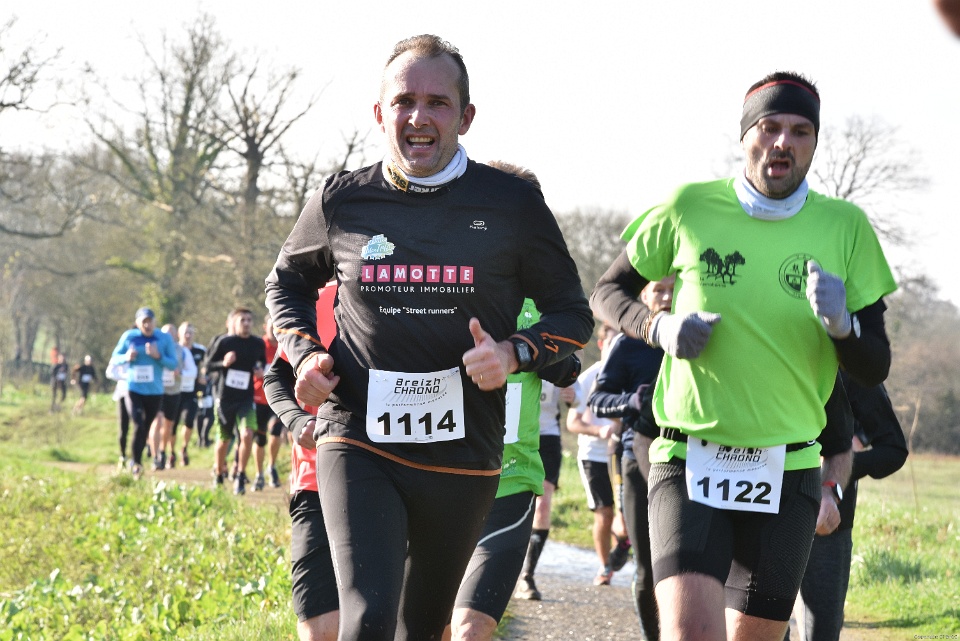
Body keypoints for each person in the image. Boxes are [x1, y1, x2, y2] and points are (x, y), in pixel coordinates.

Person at [264, 33, 592, 640]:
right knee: (368, 619)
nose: (419, 117)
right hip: (358, 437)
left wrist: (514, 353)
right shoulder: (342, 200)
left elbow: (573, 314)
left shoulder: (512, 205)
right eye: (404, 101)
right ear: (379, 113)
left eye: (438, 103)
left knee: (422, 627)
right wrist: (303, 352)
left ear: (466, 117)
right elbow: (286, 283)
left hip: (464, 451)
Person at [589, 71, 897, 641]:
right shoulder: (689, 206)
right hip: (688, 458)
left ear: (814, 143)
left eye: (800, 132)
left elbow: (874, 364)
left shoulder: (845, 226)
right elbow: (607, 292)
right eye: (769, 127)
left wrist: (843, 327)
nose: (783, 143)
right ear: (745, 136)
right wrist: (658, 327)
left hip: (788, 468)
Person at [788, 372, 908, 641]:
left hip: (828, 525)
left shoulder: (850, 368)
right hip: (760, 515)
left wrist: (838, 470)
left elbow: (894, 449)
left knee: (821, 635)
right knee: (760, 630)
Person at [588, 276, 675, 641]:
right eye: (659, 290)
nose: (667, 296)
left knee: (689, 566)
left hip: (693, 460)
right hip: (638, 460)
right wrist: (632, 401)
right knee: (649, 567)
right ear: (644, 295)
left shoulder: (703, 338)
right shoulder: (627, 343)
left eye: (674, 289)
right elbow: (597, 400)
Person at [566, 322, 624, 586]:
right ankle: (604, 567)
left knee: (627, 515)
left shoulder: (630, 371)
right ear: (601, 344)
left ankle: (623, 545)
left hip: (622, 453)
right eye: (611, 343)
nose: (616, 348)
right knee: (605, 513)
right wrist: (599, 431)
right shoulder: (589, 377)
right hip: (594, 455)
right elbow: (572, 423)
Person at [513, 376, 579, 601]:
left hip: (547, 437)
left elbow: (577, 397)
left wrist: (572, 397)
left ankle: (527, 576)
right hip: (512, 435)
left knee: (542, 505)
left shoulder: (556, 358)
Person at [108, 307, 179, 479]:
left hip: (155, 392)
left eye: (150, 321)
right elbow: (114, 358)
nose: (147, 325)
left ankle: (136, 460)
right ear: (137, 323)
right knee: (138, 424)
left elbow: (173, 364)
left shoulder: (164, 338)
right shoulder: (129, 337)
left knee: (145, 429)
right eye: (143, 321)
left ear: (155, 322)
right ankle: (137, 464)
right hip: (134, 389)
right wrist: (126, 357)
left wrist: (158, 356)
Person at [204, 308, 266, 495]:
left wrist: (259, 370)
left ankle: (240, 474)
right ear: (234, 323)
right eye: (242, 320)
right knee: (224, 439)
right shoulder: (225, 342)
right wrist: (223, 363)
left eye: (249, 320)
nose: (246, 323)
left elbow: (262, 362)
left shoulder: (257, 343)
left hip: (246, 398)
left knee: (247, 434)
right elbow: (207, 366)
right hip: (225, 398)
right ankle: (218, 474)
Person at [252, 315, 286, 490]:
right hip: (258, 398)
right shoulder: (258, 345)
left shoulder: (284, 345)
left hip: (277, 399)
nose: (274, 330)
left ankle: (271, 466)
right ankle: (259, 474)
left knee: (275, 431)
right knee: (260, 439)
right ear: (265, 327)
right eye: (271, 326)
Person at [174, 321, 206, 465]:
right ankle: (170, 452)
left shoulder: (200, 351)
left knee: (189, 420)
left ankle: (184, 449)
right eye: (185, 332)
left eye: (191, 333)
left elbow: (208, 366)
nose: (188, 335)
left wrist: (204, 375)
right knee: (173, 424)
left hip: (192, 392)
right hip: (174, 391)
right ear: (179, 334)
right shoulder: (174, 350)